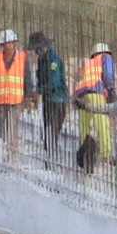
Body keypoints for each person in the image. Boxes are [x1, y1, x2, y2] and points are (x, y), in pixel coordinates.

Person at [73, 41, 117, 174]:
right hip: (95, 91)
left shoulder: (89, 63)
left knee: (84, 125)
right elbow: (108, 77)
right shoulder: (106, 58)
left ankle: (85, 153)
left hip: (81, 93)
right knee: (102, 121)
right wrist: (110, 92)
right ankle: (106, 154)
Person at [25, 32, 70, 163]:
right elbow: (40, 78)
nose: (36, 51)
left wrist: (39, 91)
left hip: (58, 98)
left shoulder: (53, 58)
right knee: (48, 128)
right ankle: (49, 154)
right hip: (48, 99)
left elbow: (54, 82)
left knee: (53, 129)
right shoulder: (42, 59)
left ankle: (52, 156)